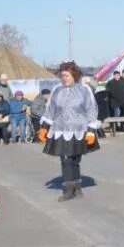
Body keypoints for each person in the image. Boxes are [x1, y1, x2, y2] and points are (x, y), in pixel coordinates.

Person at [38, 61, 99, 202]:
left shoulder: (84, 90)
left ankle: (77, 187)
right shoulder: (57, 90)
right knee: (65, 159)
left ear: (74, 75)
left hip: (79, 130)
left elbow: (91, 109)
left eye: (67, 75)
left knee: (75, 159)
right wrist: (44, 128)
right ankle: (68, 190)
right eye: (62, 75)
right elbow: (50, 110)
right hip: (61, 130)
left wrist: (91, 130)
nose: (64, 78)